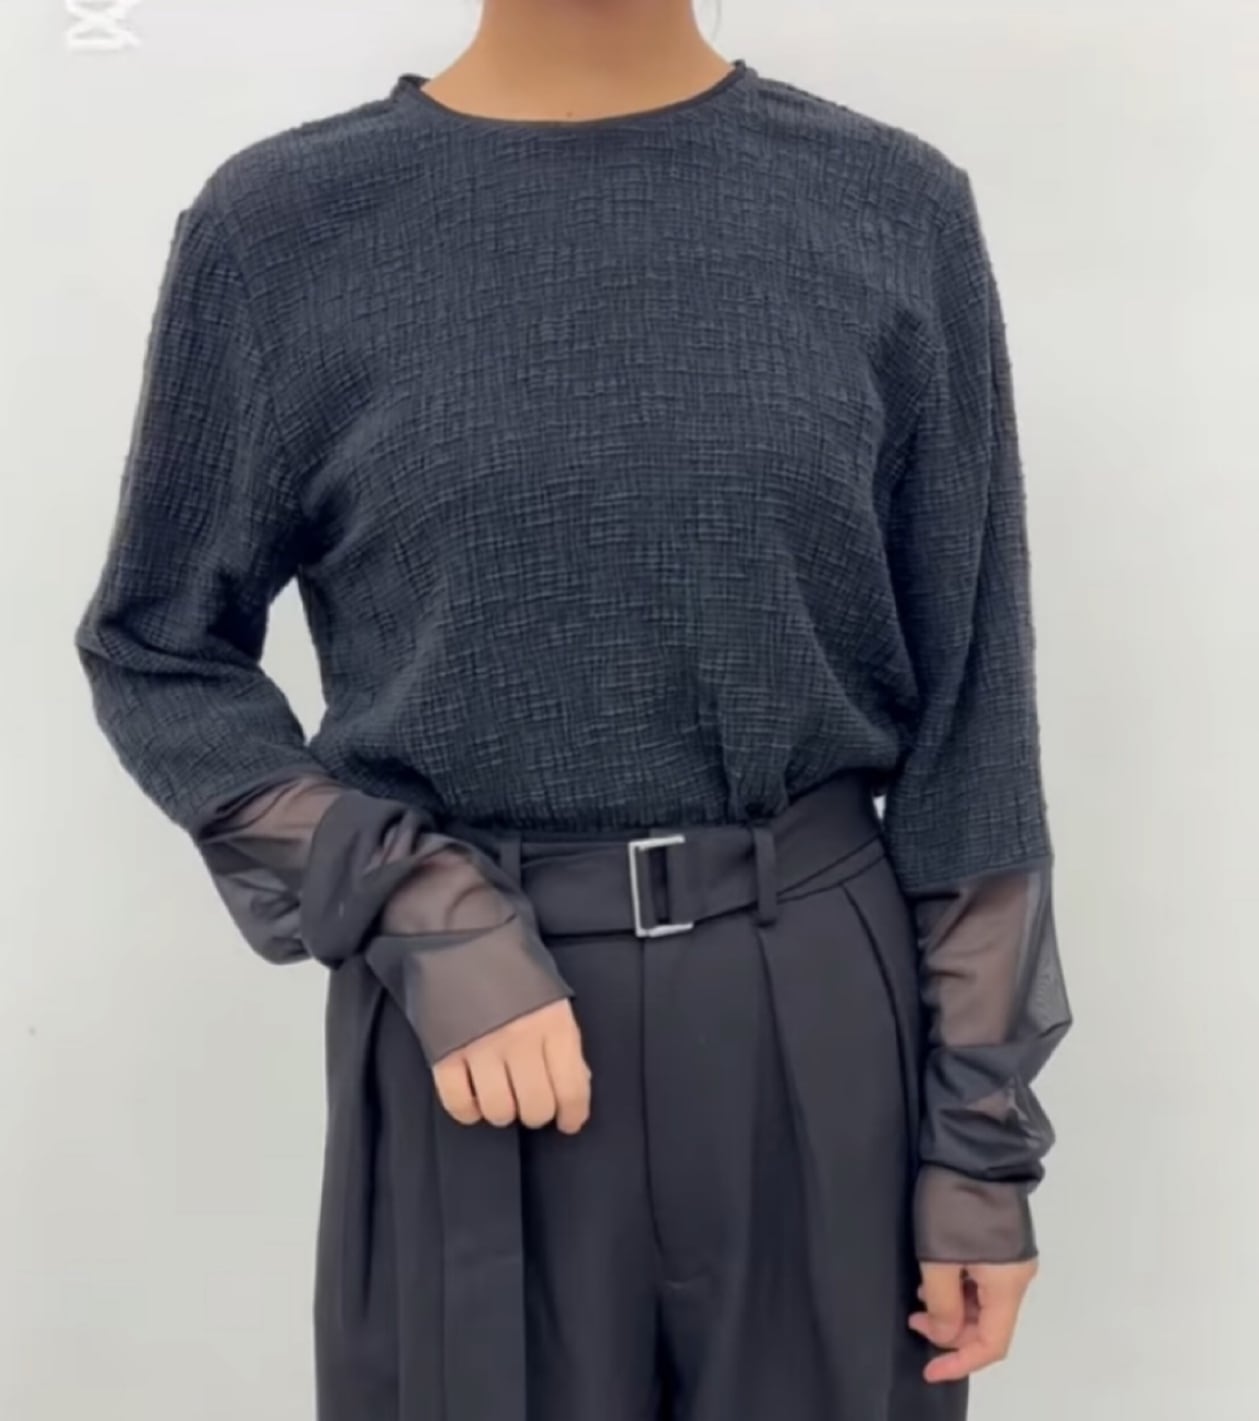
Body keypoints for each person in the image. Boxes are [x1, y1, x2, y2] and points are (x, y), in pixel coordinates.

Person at [72, 3, 1072, 1418]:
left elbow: (975, 707)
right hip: (476, 1044)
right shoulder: (281, 230)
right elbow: (156, 646)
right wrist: (414, 903)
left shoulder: (892, 207)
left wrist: (980, 1143)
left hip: (816, 1016)